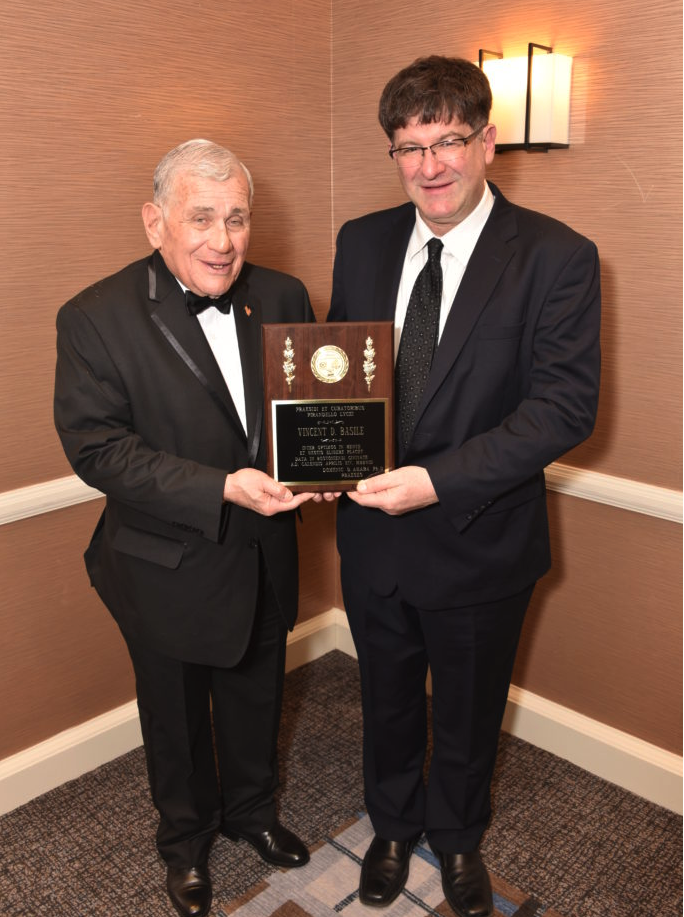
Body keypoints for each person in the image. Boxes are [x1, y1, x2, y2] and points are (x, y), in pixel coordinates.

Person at [326, 56, 601, 917]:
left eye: (448, 140)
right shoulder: (361, 240)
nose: (429, 165)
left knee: (471, 712)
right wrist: (316, 457)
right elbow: (341, 378)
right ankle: (393, 826)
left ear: (488, 141)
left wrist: (434, 482)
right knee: (388, 698)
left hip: (481, 538)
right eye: (409, 147)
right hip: (373, 537)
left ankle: (456, 836)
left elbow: (563, 409)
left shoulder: (557, 256)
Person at [54, 139, 316, 917]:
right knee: (173, 715)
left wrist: (326, 464)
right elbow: (97, 449)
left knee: (257, 692)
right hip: (161, 563)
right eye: (201, 217)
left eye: (236, 217)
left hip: (266, 551)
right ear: (154, 221)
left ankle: (254, 814)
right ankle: (186, 841)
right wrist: (220, 487)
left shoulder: (284, 293)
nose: (223, 240)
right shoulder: (94, 316)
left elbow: (307, 412)